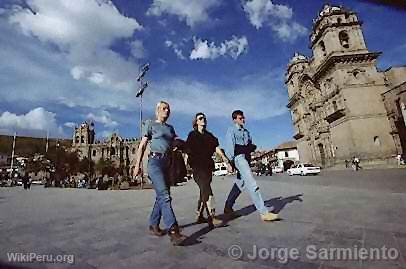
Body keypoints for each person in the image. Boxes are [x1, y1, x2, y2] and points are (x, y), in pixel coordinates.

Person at [132, 101, 187, 246]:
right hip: (155, 162)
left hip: (168, 164)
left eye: (168, 108)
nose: (166, 111)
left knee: (161, 196)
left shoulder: (170, 128)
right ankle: (173, 230)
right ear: (157, 111)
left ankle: (153, 224)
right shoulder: (150, 124)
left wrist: (179, 146)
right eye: (163, 108)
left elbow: (175, 142)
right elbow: (143, 145)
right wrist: (137, 165)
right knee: (165, 195)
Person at [224, 110, 279, 222]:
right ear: (234, 119)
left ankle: (228, 207)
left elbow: (249, 146)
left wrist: (251, 148)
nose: (243, 120)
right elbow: (229, 148)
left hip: (246, 158)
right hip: (239, 158)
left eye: (243, 118)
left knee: (240, 183)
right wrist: (230, 162)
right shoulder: (231, 130)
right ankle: (263, 212)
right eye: (240, 118)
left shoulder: (246, 132)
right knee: (252, 183)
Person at [185, 113, 233, 228]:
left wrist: (225, 159)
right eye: (200, 118)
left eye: (204, 118)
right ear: (196, 122)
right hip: (197, 167)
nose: (203, 120)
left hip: (207, 167)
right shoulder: (192, 135)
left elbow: (216, 148)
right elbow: (187, 150)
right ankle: (212, 216)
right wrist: (185, 165)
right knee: (206, 189)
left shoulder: (209, 136)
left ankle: (199, 215)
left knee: (204, 190)